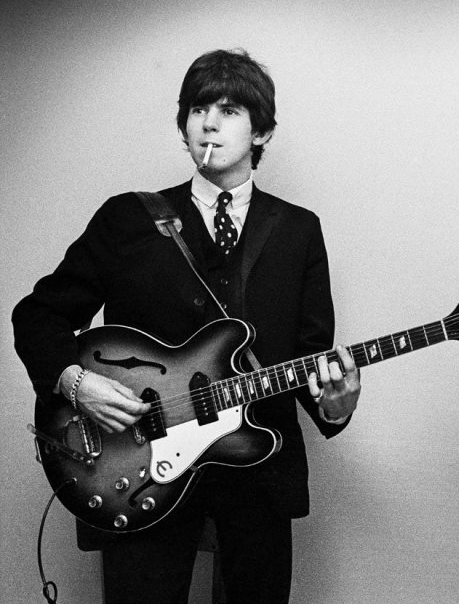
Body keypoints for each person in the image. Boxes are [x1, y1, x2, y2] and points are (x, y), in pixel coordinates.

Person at [12, 49, 361, 604]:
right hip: (138, 468)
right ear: (184, 124)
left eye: (229, 109)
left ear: (262, 131)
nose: (210, 122)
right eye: (199, 108)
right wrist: (77, 383)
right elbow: (37, 315)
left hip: (258, 472)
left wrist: (337, 404)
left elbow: (311, 357)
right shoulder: (127, 219)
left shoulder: (299, 231)